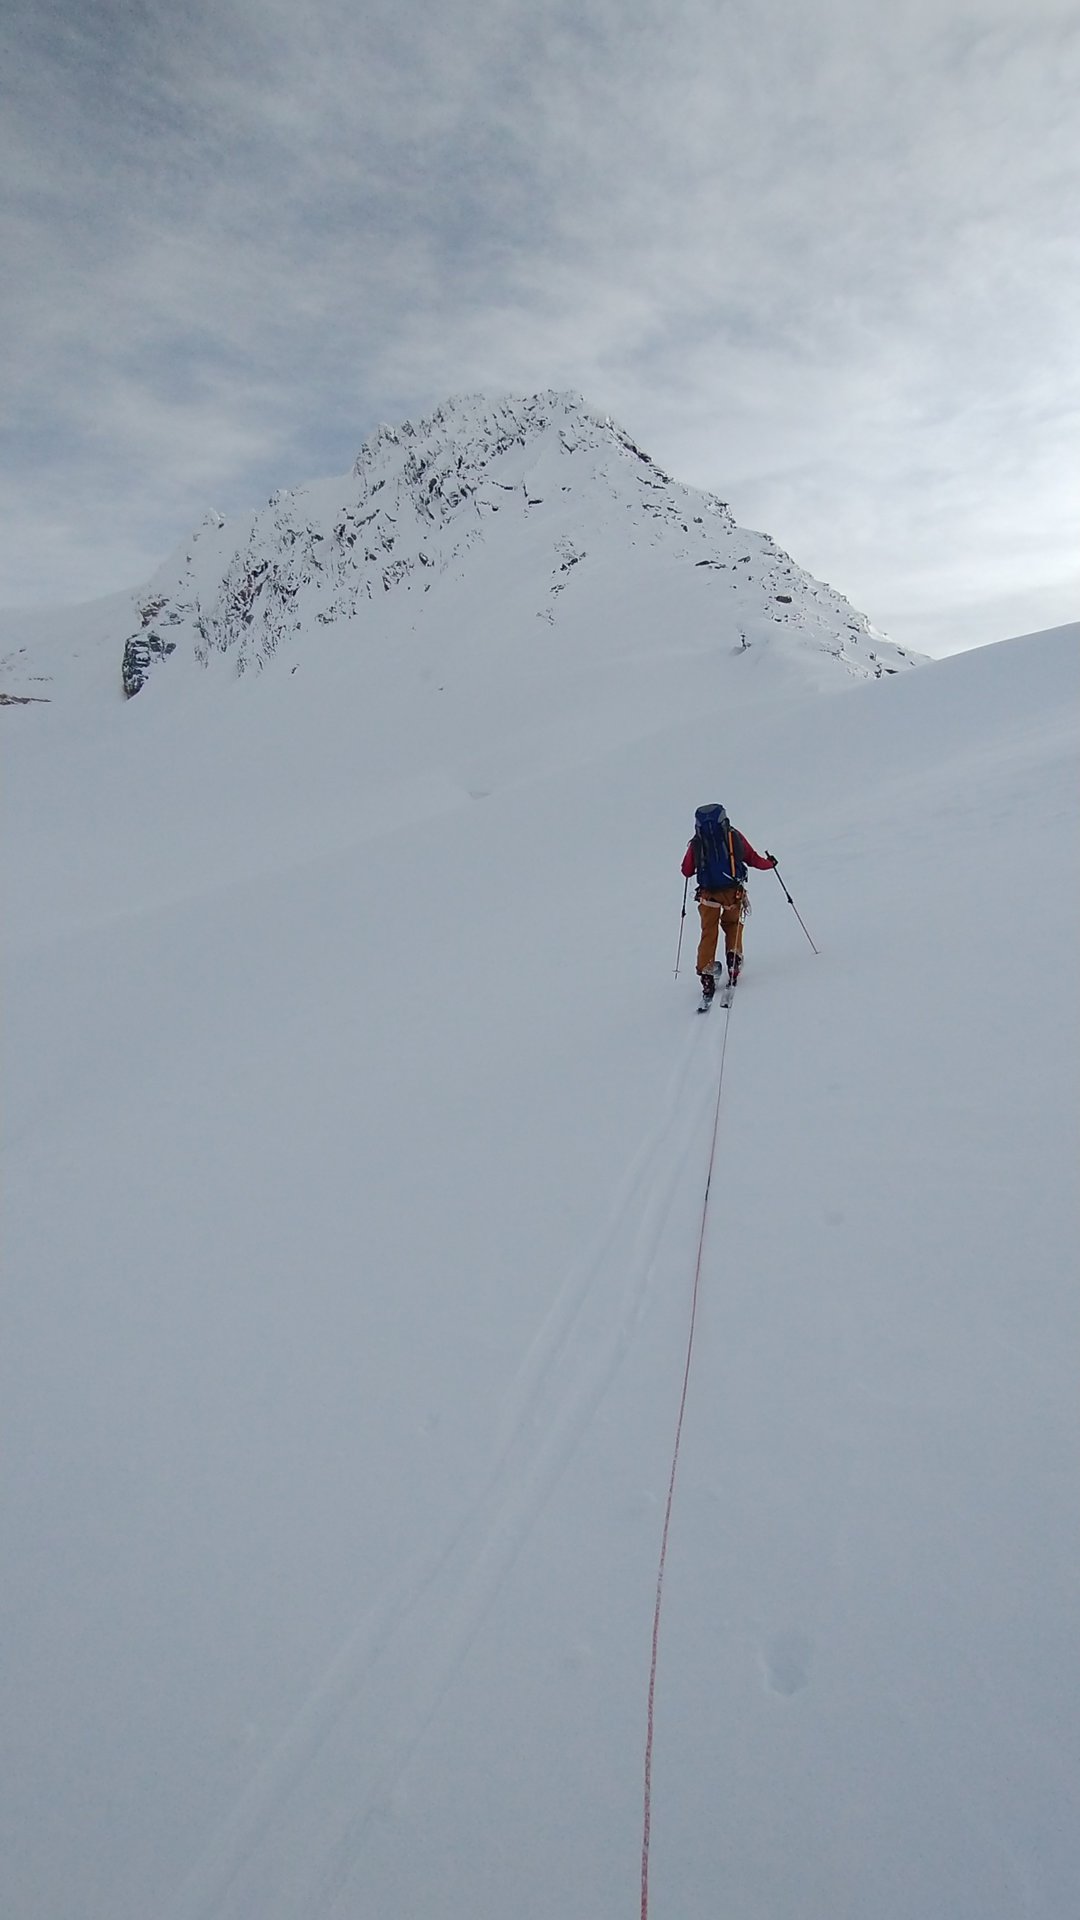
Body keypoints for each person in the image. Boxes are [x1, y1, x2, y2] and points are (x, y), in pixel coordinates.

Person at [681, 803, 776, 1000]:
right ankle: (733, 958)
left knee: (709, 931)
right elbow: (752, 858)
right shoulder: (733, 836)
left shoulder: (697, 842)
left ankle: (707, 974)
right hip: (733, 891)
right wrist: (770, 863)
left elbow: (687, 870)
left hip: (708, 896)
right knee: (732, 924)